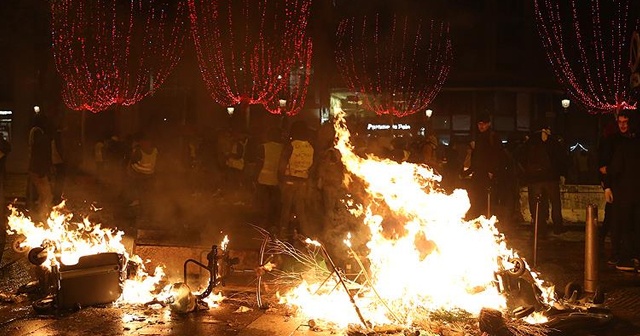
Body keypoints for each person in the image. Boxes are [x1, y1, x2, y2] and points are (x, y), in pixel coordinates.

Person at [605, 110, 640, 271]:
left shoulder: (623, 145)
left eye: (625, 122)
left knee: (624, 226)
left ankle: (625, 258)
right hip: (633, 192)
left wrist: (607, 171)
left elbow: (616, 168)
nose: (623, 125)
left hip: (624, 192)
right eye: (620, 122)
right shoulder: (630, 142)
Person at [519, 121, 568, 237]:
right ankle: (557, 227)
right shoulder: (553, 141)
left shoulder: (530, 142)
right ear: (546, 130)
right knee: (555, 203)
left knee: (536, 205)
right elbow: (561, 158)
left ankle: (539, 229)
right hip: (551, 178)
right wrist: (562, 174)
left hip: (534, 179)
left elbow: (521, 157)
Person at [463, 114, 505, 219]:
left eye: (484, 124)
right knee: (476, 199)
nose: (481, 126)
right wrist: (467, 172)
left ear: (489, 124)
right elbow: (477, 158)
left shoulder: (493, 137)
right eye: (479, 124)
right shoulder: (480, 137)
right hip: (479, 174)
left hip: (487, 174)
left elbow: (496, 155)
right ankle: (478, 220)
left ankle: (485, 220)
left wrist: (492, 171)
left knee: (485, 200)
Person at [279, 120, 316, 239]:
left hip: (289, 180)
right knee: (301, 210)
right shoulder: (311, 147)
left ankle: (282, 234)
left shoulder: (291, 145)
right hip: (303, 181)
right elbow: (313, 166)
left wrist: (280, 178)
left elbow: (282, 163)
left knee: (286, 209)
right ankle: (305, 234)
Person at [255, 127, 283, 232]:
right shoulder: (283, 148)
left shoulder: (263, 147)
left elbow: (259, 164)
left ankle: (263, 225)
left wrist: (254, 177)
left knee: (264, 204)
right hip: (276, 181)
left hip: (263, 179)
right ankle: (273, 225)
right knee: (274, 205)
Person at [27, 112, 53, 220]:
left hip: (36, 168)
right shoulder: (38, 133)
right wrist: (43, 170)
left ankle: (40, 214)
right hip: (38, 169)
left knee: (43, 194)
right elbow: (41, 153)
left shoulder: (35, 132)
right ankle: (41, 216)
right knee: (46, 195)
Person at [126, 133, 158, 207]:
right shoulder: (139, 151)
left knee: (145, 194)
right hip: (144, 176)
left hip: (144, 177)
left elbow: (133, 165)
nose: (145, 144)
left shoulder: (141, 151)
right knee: (143, 194)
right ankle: (143, 206)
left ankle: (144, 207)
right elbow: (133, 164)